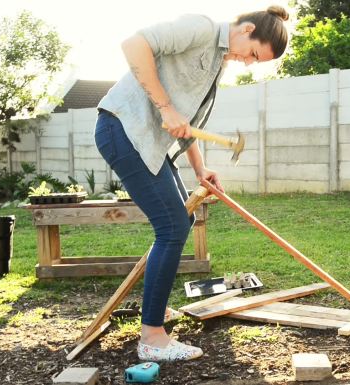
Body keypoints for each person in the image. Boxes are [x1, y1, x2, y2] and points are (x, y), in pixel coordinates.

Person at [94, 6, 289, 361]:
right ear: (245, 29)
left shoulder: (218, 64)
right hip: (123, 130)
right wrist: (165, 107)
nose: (248, 63)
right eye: (253, 54)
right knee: (170, 226)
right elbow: (133, 44)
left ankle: (155, 308)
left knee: (179, 221)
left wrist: (201, 170)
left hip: (149, 143)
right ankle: (152, 337)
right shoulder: (200, 28)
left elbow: (187, 125)